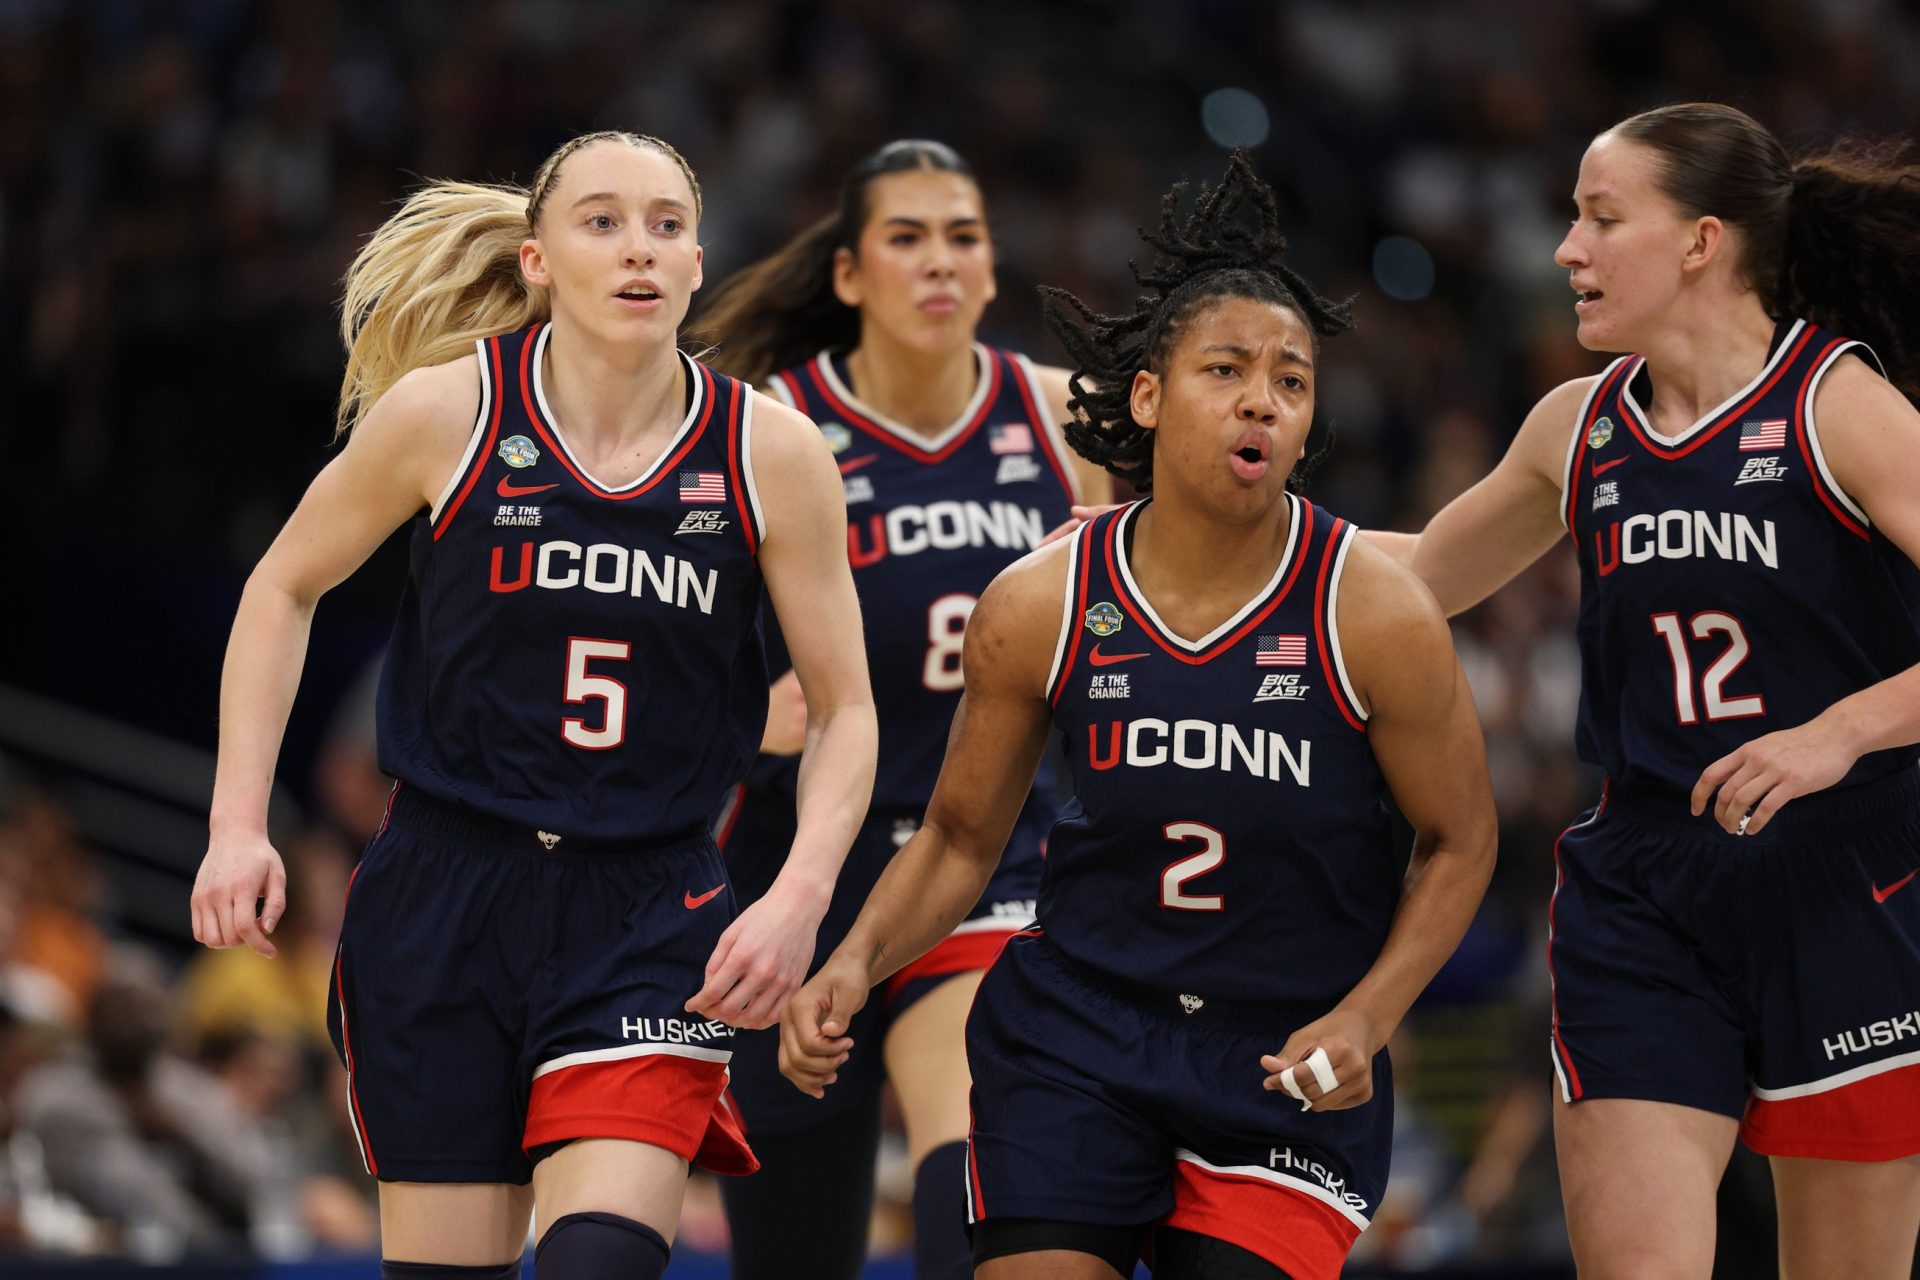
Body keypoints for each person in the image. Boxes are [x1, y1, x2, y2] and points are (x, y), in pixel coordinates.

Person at [780, 152, 1498, 1280]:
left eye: (1293, 380)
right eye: (1228, 368)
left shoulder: (1375, 609)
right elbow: (964, 836)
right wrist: (855, 960)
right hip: (1077, 1032)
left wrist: (1367, 1015)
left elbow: (1461, 840)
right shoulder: (1042, 600)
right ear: (1148, 399)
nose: (1264, 396)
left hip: (1279, 1050)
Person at [188, 130, 877, 1280]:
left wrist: (800, 893)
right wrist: (234, 823)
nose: (639, 248)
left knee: (597, 1261)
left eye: (666, 224)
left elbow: (848, 710)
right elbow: (281, 586)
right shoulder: (444, 414)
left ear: (700, 262)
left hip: (651, 905)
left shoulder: (770, 451)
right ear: (538, 258)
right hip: (444, 893)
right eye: (601, 221)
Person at [1370, 102, 1920, 1279]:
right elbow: (1419, 575)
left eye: (1600, 217)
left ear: (1700, 241)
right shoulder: (1578, 427)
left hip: (1846, 878)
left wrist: (1840, 730)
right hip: (1644, 884)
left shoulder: (1839, 407)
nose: (1565, 247)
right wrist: (1194, 551)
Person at [694, 138, 1111, 1280]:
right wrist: (736, 713)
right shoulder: (771, 425)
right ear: (847, 274)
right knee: (793, 1246)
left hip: (973, 853)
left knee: (972, 1144)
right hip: (796, 875)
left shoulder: (1066, 419)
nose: (941, 262)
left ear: (991, 268)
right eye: (907, 237)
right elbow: (661, 635)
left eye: (964, 237)